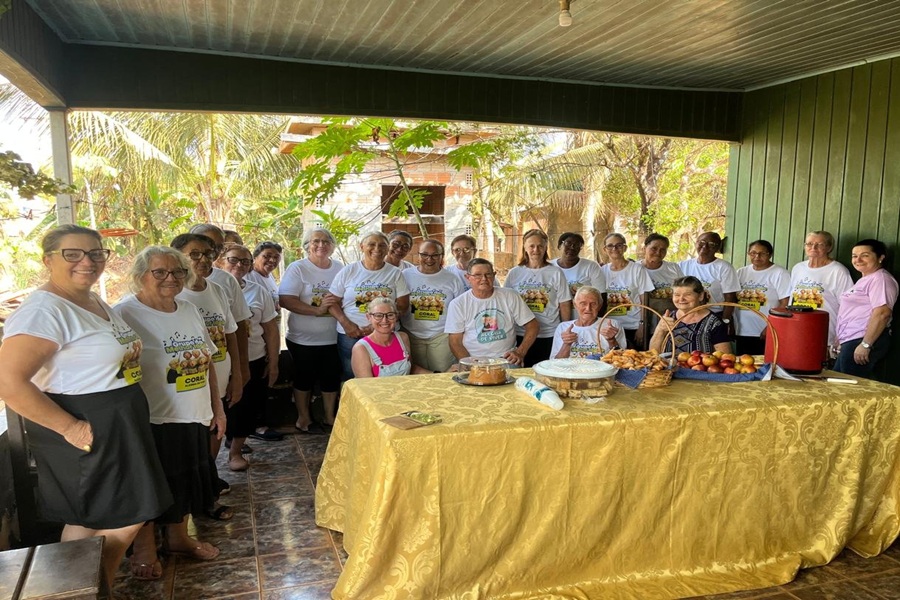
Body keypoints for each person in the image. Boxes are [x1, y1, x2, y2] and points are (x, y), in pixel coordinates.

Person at [0, 225, 172, 587]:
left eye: (96, 253)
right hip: (85, 424)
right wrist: (71, 427)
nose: (87, 261)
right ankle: (86, 589)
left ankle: (90, 590)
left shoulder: (91, 300)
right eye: (72, 254)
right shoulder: (44, 310)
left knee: (97, 517)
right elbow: (9, 383)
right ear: (48, 260)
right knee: (112, 516)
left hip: (116, 421)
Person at [114, 246, 226, 576]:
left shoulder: (189, 309)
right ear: (140, 276)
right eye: (159, 272)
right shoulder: (125, 313)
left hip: (193, 413)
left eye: (177, 272)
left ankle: (178, 538)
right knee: (152, 486)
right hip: (152, 418)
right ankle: (145, 550)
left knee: (186, 482)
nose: (170, 279)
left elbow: (208, 363)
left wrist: (217, 409)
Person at [171, 234, 240, 502]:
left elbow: (230, 333)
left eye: (209, 253)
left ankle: (208, 479)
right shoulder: (174, 294)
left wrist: (239, 376)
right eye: (195, 254)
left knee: (215, 432)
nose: (203, 260)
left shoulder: (217, 290)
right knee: (191, 442)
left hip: (219, 377)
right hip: (186, 386)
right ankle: (196, 494)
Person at [216, 244, 279, 470]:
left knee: (246, 408)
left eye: (245, 261)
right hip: (218, 362)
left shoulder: (257, 291)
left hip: (252, 357)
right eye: (234, 260)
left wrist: (273, 362)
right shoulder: (210, 289)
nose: (239, 265)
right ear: (221, 261)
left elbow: (270, 328)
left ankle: (235, 452)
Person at [279, 228, 344, 433]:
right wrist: (317, 311)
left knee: (331, 378)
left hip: (334, 337)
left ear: (332, 246)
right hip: (303, 339)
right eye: (315, 241)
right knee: (304, 378)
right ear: (307, 245)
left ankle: (329, 417)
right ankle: (303, 419)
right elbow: (286, 299)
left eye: (326, 241)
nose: (321, 245)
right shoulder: (297, 268)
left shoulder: (340, 268)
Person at [329, 231, 410, 380]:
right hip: (350, 334)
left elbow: (403, 306)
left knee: (385, 376)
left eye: (382, 245)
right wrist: (347, 324)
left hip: (384, 334)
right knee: (350, 374)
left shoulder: (396, 274)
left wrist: (377, 326)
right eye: (371, 244)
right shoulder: (348, 271)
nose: (377, 249)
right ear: (362, 247)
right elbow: (331, 302)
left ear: (387, 249)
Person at [445, 258, 538, 365]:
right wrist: (470, 365)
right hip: (474, 361)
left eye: (488, 274)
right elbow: (455, 341)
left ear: (494, 275)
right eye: (477, 275)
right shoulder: (458, 304)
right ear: (468, 277)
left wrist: (520, 352)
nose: (484, 279)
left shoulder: (510, 295)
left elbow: (533, 326)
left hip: (506, 360)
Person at [503, 229, 572, 366]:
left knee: (547, 371)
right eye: (531, 246)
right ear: (525, 247)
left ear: (546, 247)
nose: (536, 249)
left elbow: (564, 303)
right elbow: (506, 303)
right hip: (520, 334)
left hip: (549, 334)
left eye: (540, 246)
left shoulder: (555, 272)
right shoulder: (514, 273)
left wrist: (564, 329)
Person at [833, 239, 898, 378]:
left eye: (865, 255)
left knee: (852, 390)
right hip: (851, 341)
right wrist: (840, 339)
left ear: (881, 258)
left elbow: (882, 313)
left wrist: (866, 344)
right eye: (854, 256)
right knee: (840, 383)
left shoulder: (881, 279)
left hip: (863, 339)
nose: (858, 259)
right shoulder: (865, 280)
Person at [401, 238, 465, 372]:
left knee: (442, 373)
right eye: (425, 254)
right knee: (415, 374)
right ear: (418, 255)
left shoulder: (452, 279)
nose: (429, 259)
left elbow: (460, 310)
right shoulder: (405, 275)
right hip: (412, 334)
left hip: (441, 336)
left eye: (435, 255)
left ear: (441, 256)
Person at [789, 230, 854, 347]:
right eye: (809, 244)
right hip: (797, 330)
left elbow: (848, 307)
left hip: (825, 333)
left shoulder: (838, 271)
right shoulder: (798, 268)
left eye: (820, 244)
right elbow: (791, 299)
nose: (813, 247)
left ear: (829, 248)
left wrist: (842, 335)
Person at [649, 276, 732, 355]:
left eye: (687, 294)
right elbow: (653, 353)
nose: (681, 299)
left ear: (701, 296)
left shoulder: (715, 322)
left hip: (700, 369)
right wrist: (660, 330)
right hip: (669, 368)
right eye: (677, 295)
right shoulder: (668, 318)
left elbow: (724, 357)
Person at [734, 240, 791, 355]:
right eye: (753, 253)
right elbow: (733, 298)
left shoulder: (779, 273)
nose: (757, 256)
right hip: (741, 330)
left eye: (762, 253)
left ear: (770, 254)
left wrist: (770, 327)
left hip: (764, 332)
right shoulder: (741, 272)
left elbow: (785, 303)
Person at [678, 232, 740, 335]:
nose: (705, 247)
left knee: (715, 350)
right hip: (687, 316)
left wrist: (725, 321)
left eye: (711, 244)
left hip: (715, 316)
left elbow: (730, 298)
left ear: (718, 248)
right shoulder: (683, 265)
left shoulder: (724, 267)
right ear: (696, 243)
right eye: (701, 242)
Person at [352, 298, 431, 377]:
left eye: (390, 315)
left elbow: (411, 369)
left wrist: (437, 374)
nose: (384, 320)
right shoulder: (361, 348)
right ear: (368, 317)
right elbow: (366, 387)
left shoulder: (403, 337)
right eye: (378, 315)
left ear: (396, 316)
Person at [600, 233, 654, 349]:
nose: (614, 249)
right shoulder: (601, 271)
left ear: (624, 248)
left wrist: (642, 325)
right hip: (610, 327)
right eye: (610, 246)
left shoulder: (637, 269)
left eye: (619, 245)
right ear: (605, 249)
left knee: (635, 360)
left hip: (633, 326)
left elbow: (645, 301)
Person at [551, 286, 626, 358]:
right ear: (575, 305)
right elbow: (554, 364)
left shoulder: (612, 325)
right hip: (571, 371)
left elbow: (623, 360)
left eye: (593, 304)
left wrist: (611, 340)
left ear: (600, 306)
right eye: (583, 303)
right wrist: (566, 344)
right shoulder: (563, 327)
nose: (588, 308)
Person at [639, 233, 684, 341]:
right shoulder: (636, 268)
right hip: (643, 319)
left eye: (663, 249)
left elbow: (683, 289)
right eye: (654, 248)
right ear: (645, 248)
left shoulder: (673, 268)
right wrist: (641, 324)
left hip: (669, 319)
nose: (658, 253)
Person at [551, 232, 606, 303]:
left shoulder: (591, 266)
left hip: (584, 313)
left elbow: (601, 295)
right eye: (568, 243)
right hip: (555, 313)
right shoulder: (549, 266)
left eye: (577, 245)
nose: (572, 247)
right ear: (559, 246)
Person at [246, 241, 282, 312]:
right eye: (267, 256)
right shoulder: (248, 276)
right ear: (255, 257)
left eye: (276, 257)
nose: (272, 260)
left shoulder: (269, 276)